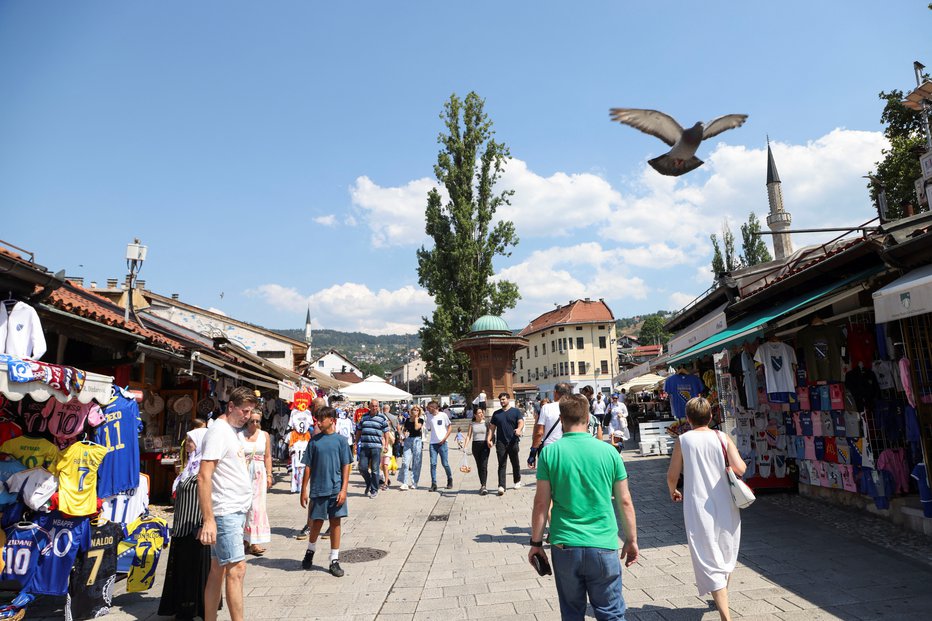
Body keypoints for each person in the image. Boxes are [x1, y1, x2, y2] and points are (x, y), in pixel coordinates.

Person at [529, 394, 639, 621]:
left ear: (561, 420)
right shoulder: (609, 452)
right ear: (588, 418)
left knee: (571, 613)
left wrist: (536, 543)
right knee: (611, 613)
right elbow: (625, 500)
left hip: (565, 545)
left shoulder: (550, 453)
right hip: (603, 544)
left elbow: (541, 503)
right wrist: (631, 539)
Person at [666, 397, 746, 621]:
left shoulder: (684, 440)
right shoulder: (722, 437)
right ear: (711, 417)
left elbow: (672, 475)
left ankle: (725, 615)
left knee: (707, 554)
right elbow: (740, 468)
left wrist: (673, 490)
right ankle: (722, 595)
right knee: (725, 550)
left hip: (698, 505)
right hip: (727, 502)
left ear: (688, 419)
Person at [197, 387, 258, 621]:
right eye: (244, 411)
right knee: (237, 570)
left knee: (218, 570)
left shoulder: (229, 430)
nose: (248, 416)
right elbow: (204, 475)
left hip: (233, 510)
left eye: (250, 412)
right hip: (226, 511)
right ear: (230, 406)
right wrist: (209, 519)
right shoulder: (219, 431)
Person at [160, 424, 215, 619]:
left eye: (191, 440)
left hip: (195, 525)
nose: (187, 444)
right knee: (183, 568)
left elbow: (209, 496)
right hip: (182, 526)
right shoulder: (190, 465)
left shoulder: (205, 467)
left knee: (194, 569)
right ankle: (183, 606)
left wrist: (204, 522)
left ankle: (194, 607)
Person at [299, 407, 352, 578]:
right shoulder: (314, 442)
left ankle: (334, 560)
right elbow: (308, 466)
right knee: (316, 523)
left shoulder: (341, 441)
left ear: (331, 419)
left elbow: (346, 465)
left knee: (335, 523)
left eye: (321, 419)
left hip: (335, 489)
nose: (318, 423)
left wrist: (344, 489)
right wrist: (303, 489)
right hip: (318, 489)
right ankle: (310, 550)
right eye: (317, 419)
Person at [240, 410, 272, 556]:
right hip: (243, 472)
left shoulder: (264, 435)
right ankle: (244, 539)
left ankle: (255, 541)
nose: (254, 424)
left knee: (257, 506)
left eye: (257, 421)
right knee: (244, 505)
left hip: (259, 473)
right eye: (252, 421)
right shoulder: (240, 435)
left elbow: (268, 456)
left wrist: (270, 474)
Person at [488, 392, 525, 496]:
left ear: (508, 399)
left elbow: (521, 422)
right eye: (500, 400)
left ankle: (517, 481)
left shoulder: (515, 411)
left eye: (503, 399)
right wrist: (489, 438)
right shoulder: (496, 414)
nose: (501, 401)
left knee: (515, 462)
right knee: (501, 464)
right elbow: (492, 428)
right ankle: (501, 486)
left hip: (513, 441)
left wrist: (519, 429)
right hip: (501, 442)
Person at [529, 383, 572, 467]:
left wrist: (533, 452)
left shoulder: (546, 408)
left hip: (551, 448)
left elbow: (539, 433)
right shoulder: (573, 406)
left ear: (555, 392)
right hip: (569, 448)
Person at [354, 400, 389, 498]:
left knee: (375, 469)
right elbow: (359, 431)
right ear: (369, 406)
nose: (374, 408)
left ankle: (374, 489)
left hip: (376, 447)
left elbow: (386, 432)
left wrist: (386, 444)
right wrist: (356, 443)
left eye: (376, 406)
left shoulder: (382, 418)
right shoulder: (364, 417)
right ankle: (369, 482)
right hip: (365, 446)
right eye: (372, 406)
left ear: (378, 407)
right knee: (362, 468)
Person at [425, 400, 453, 492]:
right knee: (433, 463)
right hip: (433, 443)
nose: (427, 410)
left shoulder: (443, 415)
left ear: (434, 408)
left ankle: (449, 478)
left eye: (429, 408)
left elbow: (450, 427)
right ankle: (434, 483)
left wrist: (444, 438)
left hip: (443, 443)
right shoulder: (428, 416)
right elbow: (428, 427)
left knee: (445, 463)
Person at [464, 408, 490, 495]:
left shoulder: (486, 423)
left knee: (484, 465)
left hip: (485, 445)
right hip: (475, 446)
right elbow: (468, 436)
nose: (481, 414)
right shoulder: (472, 424)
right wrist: (465, 446)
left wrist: (491, 441)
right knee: (479, 465)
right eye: (479, 413)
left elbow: (491, 433)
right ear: (475, 415)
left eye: (482, 412)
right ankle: (482, 484)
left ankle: (484, 486)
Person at [400, 405, 424, 490]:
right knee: (405, 462)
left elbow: (417, 428)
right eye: (414, 410)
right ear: (411, 411)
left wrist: (416, 418)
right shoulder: (407, 420)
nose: (415, 411)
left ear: (419, 412)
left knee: (416, 462)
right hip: (408, 440)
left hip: (417, 440)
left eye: (417, 410)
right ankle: (404, 482)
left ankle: (414, 482)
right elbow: (404, 429)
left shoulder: (420, 420)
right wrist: (403, 434)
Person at [380, 404, 400, 490]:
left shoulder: (389, 430)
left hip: (387, 447)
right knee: (382, 464)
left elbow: (393, 440)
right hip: (380, 446)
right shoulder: (393, 417)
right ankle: (384, 478)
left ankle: (386, 481)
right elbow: (398, 429)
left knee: (385, 464)